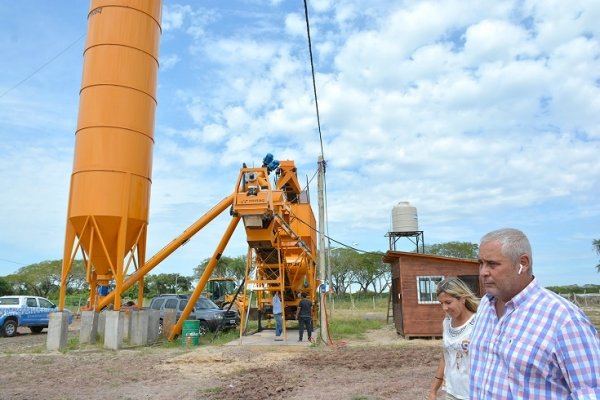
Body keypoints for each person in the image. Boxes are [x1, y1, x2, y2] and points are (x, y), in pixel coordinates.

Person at [470, 228, 600, 399]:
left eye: (492, 264)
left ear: (522, 264)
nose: (483, 272)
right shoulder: (485, 307)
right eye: (481, 263)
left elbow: (591, 392)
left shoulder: (565, 320)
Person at [428, 277, 479, 400]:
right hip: (451, 393)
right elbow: (445, 357)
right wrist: (433, 390)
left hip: (473, 394)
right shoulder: (446, 323)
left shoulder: (478, 322)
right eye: (441, 303)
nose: (444, 308)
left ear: (462, 298)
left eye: (448, 302)